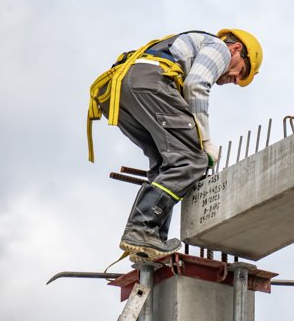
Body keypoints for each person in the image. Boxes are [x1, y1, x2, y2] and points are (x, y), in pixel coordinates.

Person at [87, 29, 263, 261]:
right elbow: (196, 85)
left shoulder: (192, 49)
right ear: (237, 49)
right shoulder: (220, 47)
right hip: (149, 82)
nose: (237, 79)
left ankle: (149, 241)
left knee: (165, 165)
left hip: (118, 94)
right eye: (242, 71)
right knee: (191, 160)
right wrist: (205, 142)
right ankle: (141, 229)